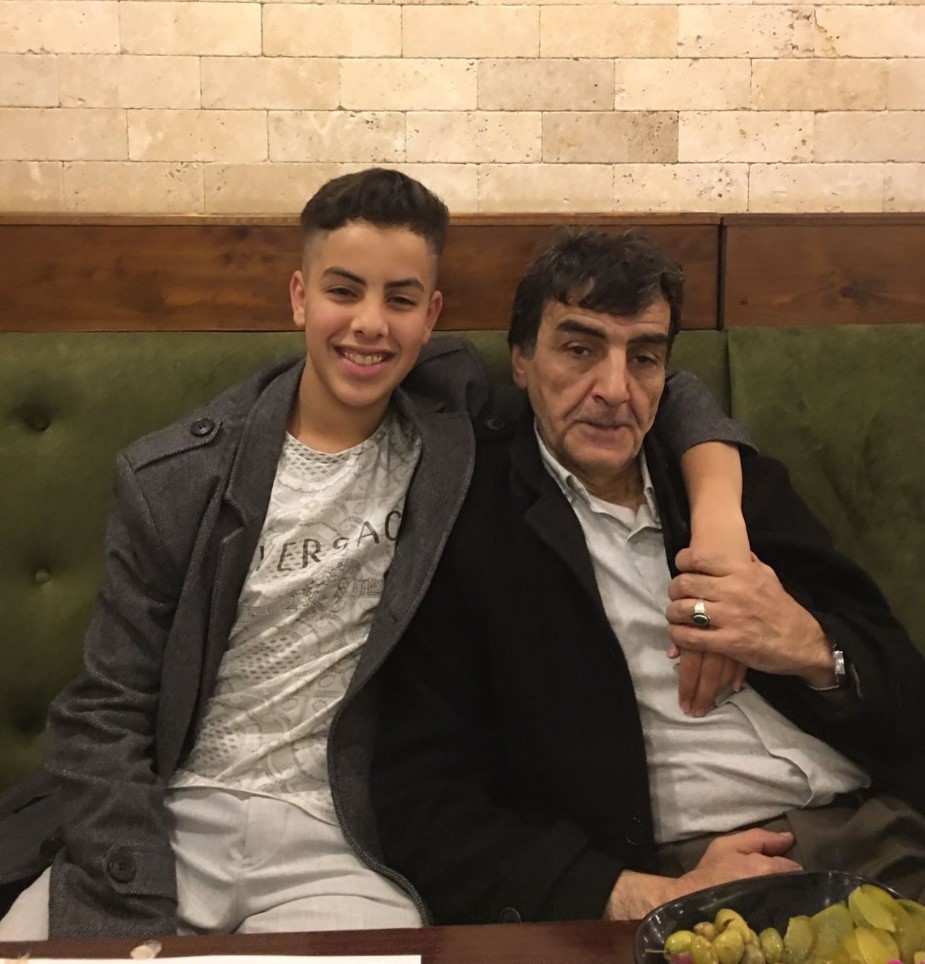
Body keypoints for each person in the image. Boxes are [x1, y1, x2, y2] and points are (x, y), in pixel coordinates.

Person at [0, 174, 752, 940]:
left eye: (398, 299)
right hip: (171, 822)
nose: (368, 325)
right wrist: (131, 899)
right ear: (299, 298)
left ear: (430, 317)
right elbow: (105, 710)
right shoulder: (178, 480)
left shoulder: (459, 424)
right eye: (342, 291)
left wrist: (720, 519)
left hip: (341, 843)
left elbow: (670, 387)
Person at [370, 227, 925, 928]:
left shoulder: (732, 488)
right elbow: (423, 803)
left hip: (884, 831)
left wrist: (808, 646)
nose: (613, 389)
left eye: (644, 357)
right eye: (578, 349)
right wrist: (637, 895)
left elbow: (904, 690)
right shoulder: (469, 523)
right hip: (693, 874)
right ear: (520, 359)